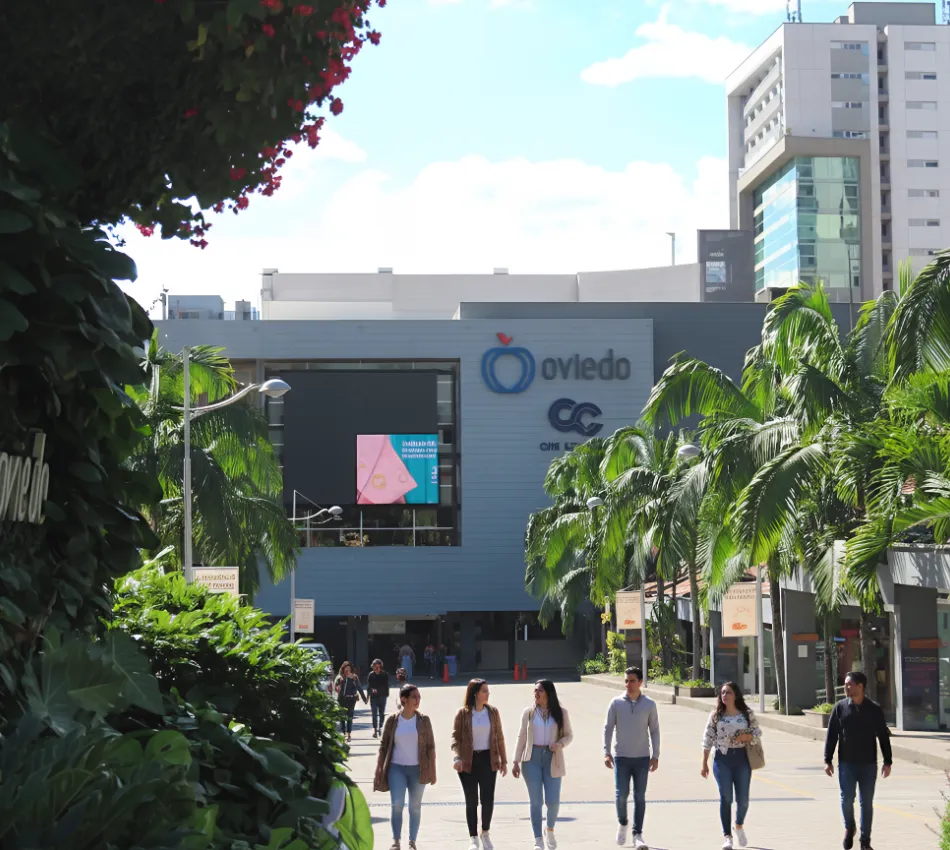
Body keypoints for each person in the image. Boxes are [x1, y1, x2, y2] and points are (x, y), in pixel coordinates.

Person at [824, 670, 893, 850]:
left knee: (866, 803)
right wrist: (827, 759)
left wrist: (888, 761)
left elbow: (883, 736)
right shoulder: (840, 708)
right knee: (846, 799)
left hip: (869, 764)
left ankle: (865, 841)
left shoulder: (874, 709)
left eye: (849, 684)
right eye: (846, 684)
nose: (846, 687)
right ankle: (849, 827)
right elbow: (832, 735)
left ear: (860, 686)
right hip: (846, 763)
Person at [374, 683, 437, 850]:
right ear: (404, 699)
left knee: (415, 807)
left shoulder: (424, 720)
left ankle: (412, 841)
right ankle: (396, 841)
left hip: (418, 769)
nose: (418, 700)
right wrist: (379, 769)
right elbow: (383, 745)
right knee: (397, 804)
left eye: (419, 697)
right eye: (414, 697)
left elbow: (431, 746)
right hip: (396, 768)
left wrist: (433, 771)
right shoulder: (393, 720)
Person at [512, 679, 573, 850]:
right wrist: (516, 760)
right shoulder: (529, 713)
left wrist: (559, 744)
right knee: (536, 801)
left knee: (553, 801)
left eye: (540, 690)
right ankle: (538, 839)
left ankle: (550, 829)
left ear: (548, 693)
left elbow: (569, 735)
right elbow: (522, 736)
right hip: (531, 759)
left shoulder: (561, 713)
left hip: (553, 758)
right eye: (535, 691)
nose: (536, 694)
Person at [604, 667, 660, 849]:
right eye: (626, 681)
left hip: (642, 758)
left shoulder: (649, 704)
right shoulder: (616, 703)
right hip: (621, 757)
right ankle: (623, 822)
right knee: (621, 796)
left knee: (640, 796)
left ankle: (638, 834)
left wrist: (655, 755)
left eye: (632, 681)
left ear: (640, 682)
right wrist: (607, 752)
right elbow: (608, 728)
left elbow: (654, 730)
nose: (628, 684)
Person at [701, 681, 762, 850]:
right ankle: (727, 836)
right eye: (722, 693)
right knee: (726, 797)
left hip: (742, 759)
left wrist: (747, 737)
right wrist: (704, 763)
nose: (725, 696)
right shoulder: (716, 716)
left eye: (728, 692)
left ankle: (739, 824)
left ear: (735, 695)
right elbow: (707, 739)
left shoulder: (746, 714)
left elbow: (757, 733)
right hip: (722, 760)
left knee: (743, 801)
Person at [452, 679, 508, 850]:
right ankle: (473, 838)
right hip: (468, 761)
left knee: (488, 799)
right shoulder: (463, 713)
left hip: (488, 760)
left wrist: (504, 761)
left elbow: (499, 737)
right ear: (475, 693)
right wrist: (457, 758)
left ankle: (485, 833)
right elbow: (456, 738)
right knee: (471, 801)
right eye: (484, 691)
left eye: (488, 690)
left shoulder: (493, 712)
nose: (488, 693)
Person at [334, 661, 367, 743]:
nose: (347, 670)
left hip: (351, 699)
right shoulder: (340, 678)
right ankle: (344, 732)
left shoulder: (354, 677)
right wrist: (338, 687)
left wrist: (364, 698)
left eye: (349, 668)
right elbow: (336, 687)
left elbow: (359, 688)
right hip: (341, 699)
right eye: (346, 668)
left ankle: (349, 734)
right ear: (343, 669)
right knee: (342, 717)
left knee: (349, 717)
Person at [368, 658, 391, 739]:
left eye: (378, 667)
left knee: (381, 713)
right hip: (373, 697)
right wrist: (368, 694)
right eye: (375, 667)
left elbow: (386, 685)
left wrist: (386, 693)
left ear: (381, 667)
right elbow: (369, 686)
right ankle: (375, 730)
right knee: (374, 713)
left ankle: (380, 727)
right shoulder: (371, 675)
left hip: (382, 696)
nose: (376, 669)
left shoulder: (384, 675)